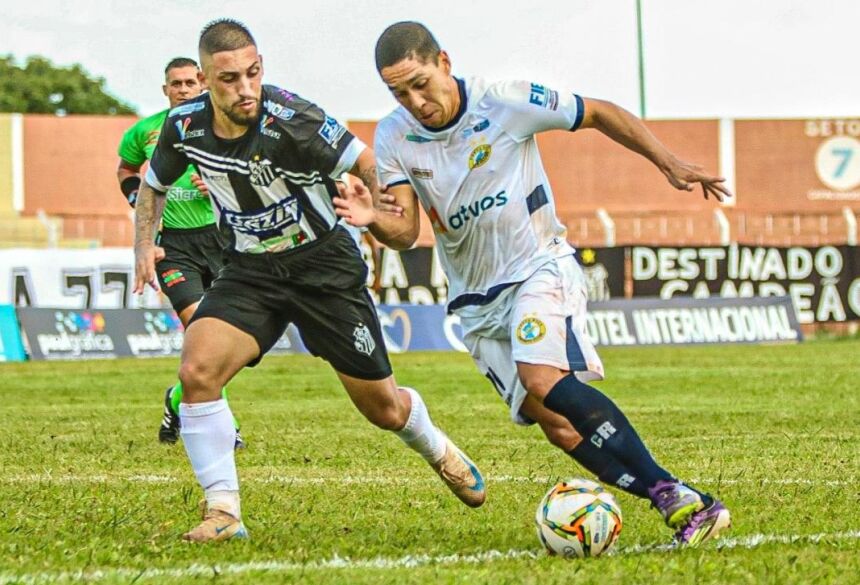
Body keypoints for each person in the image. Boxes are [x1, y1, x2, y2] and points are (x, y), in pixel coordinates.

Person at [334, 21, 732, 548]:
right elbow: (406, 232)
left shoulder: (505, 102)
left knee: (542, 377)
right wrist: (373, 219)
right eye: (399, 92)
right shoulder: (393, 135)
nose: (415, 101)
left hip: (538, 266)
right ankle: (685, 500)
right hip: (476, 305)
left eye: (420, 83)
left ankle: (670, 492)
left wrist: (669, 162)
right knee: (556, 425)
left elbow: (600, 112)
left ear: (444, 63)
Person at [132, 19, 486, 543]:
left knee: (383, 409)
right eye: (229, 79)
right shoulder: (183, 127)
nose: (246, 88)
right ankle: (224, 512)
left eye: (253, 73)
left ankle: (436, 446)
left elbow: (366, 161)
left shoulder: (294, 119)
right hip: (250, 272)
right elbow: (152, 184)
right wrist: (144, 243)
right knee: (197, 370)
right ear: (205, 80)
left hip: (324, 270)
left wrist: (379, 207)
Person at [117, 57, 244, 449]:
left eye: (191, 83)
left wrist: (225, 184)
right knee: (204, 332)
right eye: (177, 84)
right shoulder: (146, 130)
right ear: (165, 89)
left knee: (229, 341)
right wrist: (140, 199)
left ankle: (177, 398)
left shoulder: (224, 125)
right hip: (172, 246)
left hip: (222, 240)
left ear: (203, 84)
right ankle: (226, 429)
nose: (184, 89)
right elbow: (126, 170)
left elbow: (249, 169)